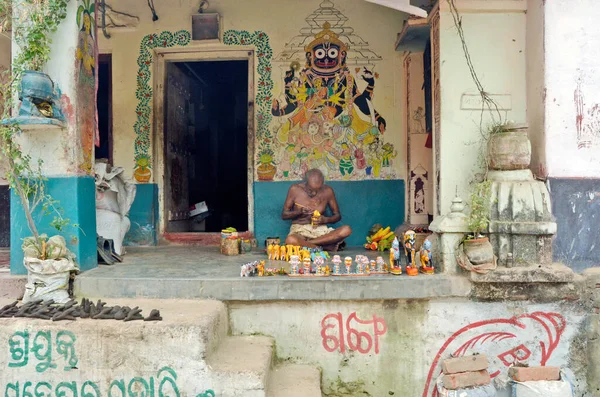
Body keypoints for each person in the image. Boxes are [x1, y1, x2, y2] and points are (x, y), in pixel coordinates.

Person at [282, 169, 351, 251]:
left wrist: (325, 220)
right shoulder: (295, 189)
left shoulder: (328, 191)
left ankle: (309, 245)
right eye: (310, 190)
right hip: (299, 230)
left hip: (321, 231)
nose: (314, 193)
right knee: (290, 240)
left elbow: (337, 215)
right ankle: (323, 246)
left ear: (322, 184)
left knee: (346, 230)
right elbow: (284, 215)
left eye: (318, 190)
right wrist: (299, 212)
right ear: (305, 183)